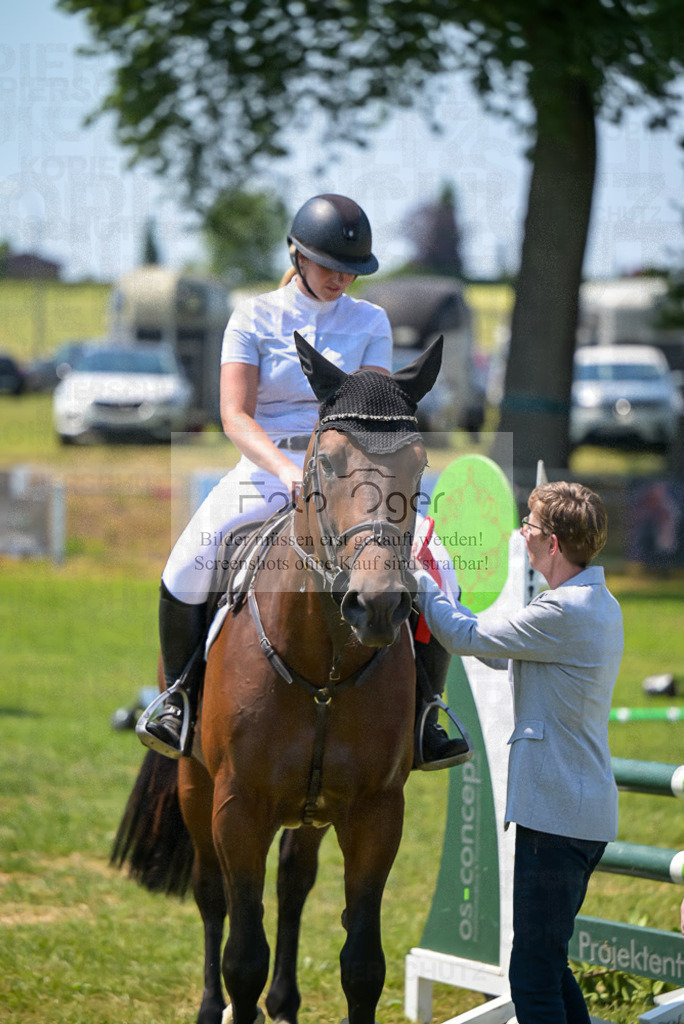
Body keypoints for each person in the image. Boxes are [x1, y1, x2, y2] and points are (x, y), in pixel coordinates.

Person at [137, 192, 465, 768]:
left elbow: (376, 409)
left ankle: (425, 714)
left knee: (443, 570)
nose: (343, 277)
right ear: (297, 253)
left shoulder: (370, 321)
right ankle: (178, 701)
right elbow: (235, 415)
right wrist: (289, 470)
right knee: (185, 565)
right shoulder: (254, 317)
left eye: (353, 269)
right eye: (331, 265)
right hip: (268, 465)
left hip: (351, 468)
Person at [411, 481, 624, 1024]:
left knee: (531, 981)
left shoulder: (565, 611)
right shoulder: (591, 602)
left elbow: (466, 638)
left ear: (551, 545)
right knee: (548, 967)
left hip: (557, 817)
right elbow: (501, 653)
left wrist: (421, 580)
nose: (519, 534)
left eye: (527, 526)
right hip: (577, 813)